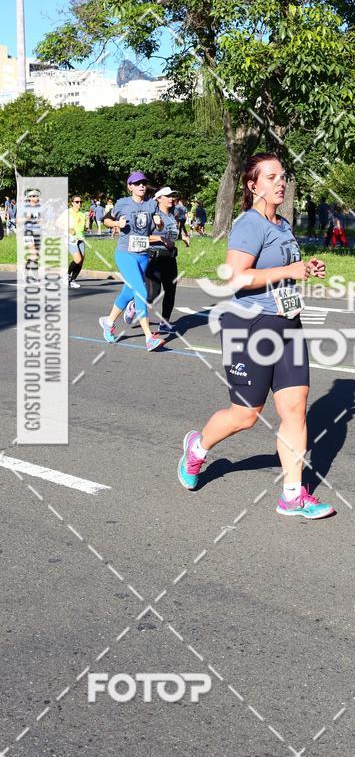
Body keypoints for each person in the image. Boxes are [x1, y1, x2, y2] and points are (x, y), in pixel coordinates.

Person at [177, 152, 334, 519]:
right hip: (248, 326)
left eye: (283, 176)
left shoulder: (282, 224)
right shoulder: (249, 223)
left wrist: (304, 267)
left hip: (287, 322)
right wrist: (290, 269)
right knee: (246, 415)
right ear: (252, 186)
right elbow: (235, 277)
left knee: (295, 408)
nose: (281, 182)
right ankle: (197, 448)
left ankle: (292, 495)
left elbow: (280, 269)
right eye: (271, 177)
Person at [99, 171, 164, 351]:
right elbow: (105, 220)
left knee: (128, 293)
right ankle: (149, 337)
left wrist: (159, 224)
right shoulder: (122, 203)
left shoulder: (152, 205)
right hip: (125, 254)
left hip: (143, 255)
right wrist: (115, 224)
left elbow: (158, 226)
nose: (141, 186)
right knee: (141, 291)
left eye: (143, 183)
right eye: (137, 183)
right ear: (130, 187)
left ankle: (109, 321)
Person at [123, 186, 180, 333]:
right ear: (159, 199)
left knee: (171, 291)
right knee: (153, 294)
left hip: (170, 259)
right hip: (153, 259)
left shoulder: (173, 214)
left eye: (173, 196)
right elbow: (142, 236)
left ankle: (165, 322)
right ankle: (134, 306)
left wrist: (182, 237)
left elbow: (172, 235)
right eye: (168, 196)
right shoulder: (152, 215)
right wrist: (161, 239)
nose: (171, 198)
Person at [67, 195, 86, 288]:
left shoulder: (82, 214)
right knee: (77, 259)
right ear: (72, 203)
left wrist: (87, 226)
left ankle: (72, 280)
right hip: (71, 239)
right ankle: (66, 274)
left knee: (81, 261)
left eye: (80, 202)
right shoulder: (67, 213)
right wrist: (68, 229)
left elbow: (82, 228)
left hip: (80, 239)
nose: (79, 203)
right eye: (77, 202)